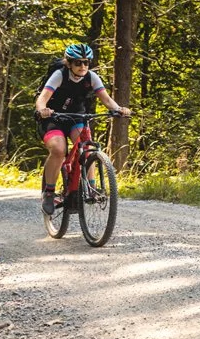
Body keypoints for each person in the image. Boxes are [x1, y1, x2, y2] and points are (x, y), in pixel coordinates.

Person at [34, 43, 132, 214]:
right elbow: (42, 98)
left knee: (87, 147)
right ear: (69, 63)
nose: (83, 66)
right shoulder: (59, 75)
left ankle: (91, 188)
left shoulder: (92, 77)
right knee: (58, 150)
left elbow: (107, 100)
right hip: (53, 117)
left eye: (86, 63)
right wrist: (43, 110)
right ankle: (48, 193)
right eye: (78, 63)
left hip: (76, 118)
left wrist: (119, 109)